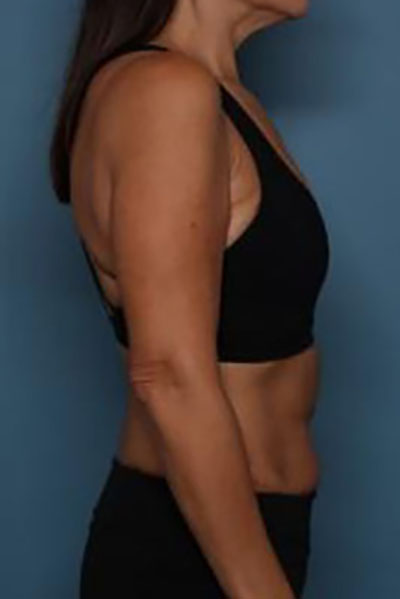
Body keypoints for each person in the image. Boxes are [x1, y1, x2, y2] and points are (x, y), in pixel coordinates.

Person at [49, 1, 330, 597]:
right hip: (193, 551)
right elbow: (167, 375)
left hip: (246, 533)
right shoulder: (164, 91)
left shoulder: (216, 93)